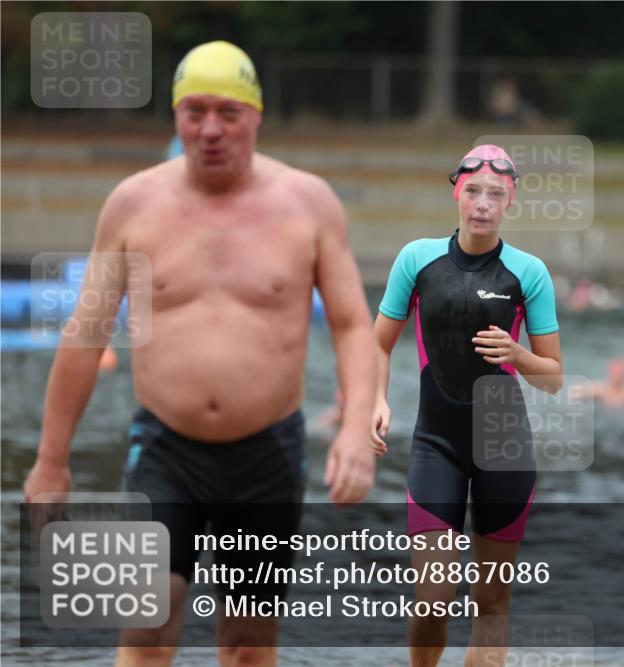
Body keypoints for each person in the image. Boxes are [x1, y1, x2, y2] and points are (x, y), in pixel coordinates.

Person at [22, 40, 378, 667]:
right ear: (176, 117)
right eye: (194, 112)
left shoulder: (309, 203)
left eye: (228, 112)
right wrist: (51, 462)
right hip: (166, 449)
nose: (210, 129)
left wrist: (354, 430)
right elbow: (86, 334)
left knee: (246, 647)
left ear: (256, 116)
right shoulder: (133, 204)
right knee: (147, 628)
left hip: (267, 454)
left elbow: (352, 325)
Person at [369, 144, 563, 667]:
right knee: (433, 599)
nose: (482, 203)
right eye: (473, 190)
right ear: (456, 193)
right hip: (437, 443)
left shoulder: (529, 273)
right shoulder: (417, 260)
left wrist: (518, 354)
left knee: (490, 602)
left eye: (495, 194)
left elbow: (553, 378)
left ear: (510, 202)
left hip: (505, 448)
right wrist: (376, 400)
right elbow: (377, 345)